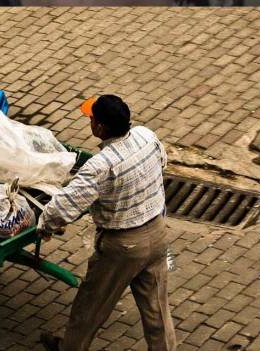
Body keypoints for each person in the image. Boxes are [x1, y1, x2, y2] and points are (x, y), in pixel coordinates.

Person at [37, 95, 176, 351]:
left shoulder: (100, 166)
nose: (90, 122)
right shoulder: (146, 135)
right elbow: (162, 161)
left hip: (121, 248)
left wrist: (45, 226)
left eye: (92, 119)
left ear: (99, 128)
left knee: (90, 308)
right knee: (157, 310)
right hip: (158, 234)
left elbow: (63, 205)